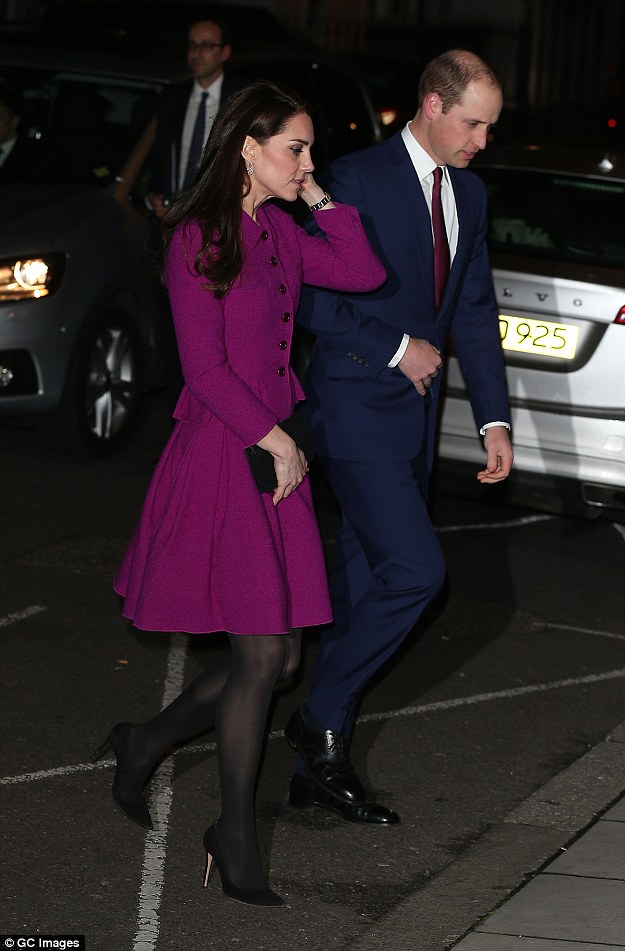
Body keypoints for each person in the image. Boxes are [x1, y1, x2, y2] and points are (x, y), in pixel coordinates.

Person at [91, 80, 386, 907]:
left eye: (309, 148)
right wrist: (278, 439)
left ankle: (143, 739)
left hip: (272, 456)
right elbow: (205, 368)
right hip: (232, 450)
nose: (307, 161)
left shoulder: (282, 232)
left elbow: (360, 269)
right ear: (247, 149)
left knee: (285, 653)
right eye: (295, 147)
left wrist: (316, 191)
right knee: (262, 655)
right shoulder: (201, 235)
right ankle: (235, 834)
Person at [284, 50, 514, 824]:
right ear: (431, 105)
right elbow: (307, 297)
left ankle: (321, 756)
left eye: (489, 126)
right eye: (473, 123)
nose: (482, 140)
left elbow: (473, 312)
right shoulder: (353, 179)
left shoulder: (471, 195)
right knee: (418, 571)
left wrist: (492, 418)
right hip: (354, 410)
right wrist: (393, 348)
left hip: (415, 422)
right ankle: (318, 714)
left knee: (364, 584)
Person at [147, 13, 244, 219]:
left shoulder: (241, 99)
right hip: (175, 215)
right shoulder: (172, 98)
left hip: (221, 216)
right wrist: (155, 196)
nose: (197, 53)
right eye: (192, 45)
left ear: (225, 52)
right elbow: (161, 155)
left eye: (207, 46)